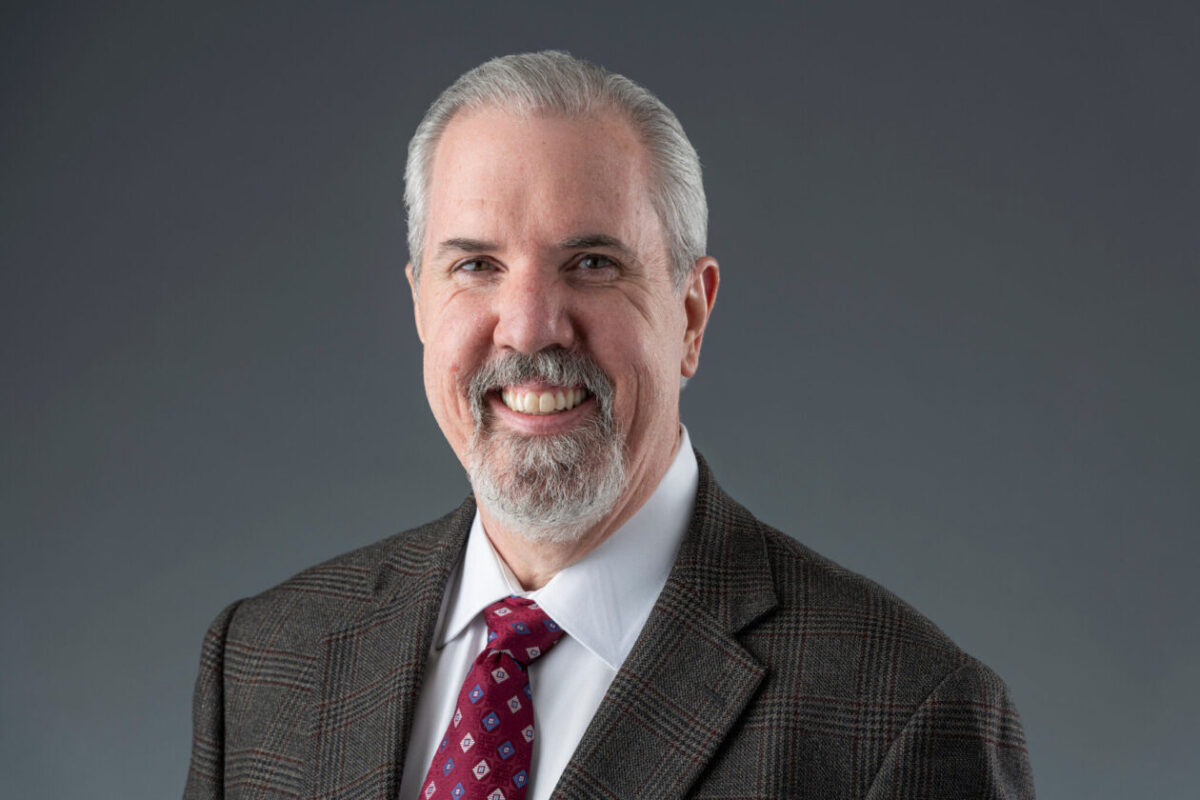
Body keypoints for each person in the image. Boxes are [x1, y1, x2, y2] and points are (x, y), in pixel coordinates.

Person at [184, 51, 1035, 800]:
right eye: (475, 265)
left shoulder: (903, 716)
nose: (528, 326)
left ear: (691, 316)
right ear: (418, 304)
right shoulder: (263, 665)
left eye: (592, 264)